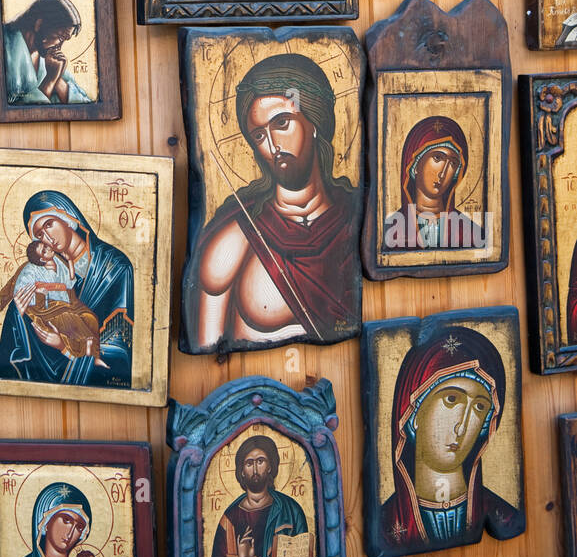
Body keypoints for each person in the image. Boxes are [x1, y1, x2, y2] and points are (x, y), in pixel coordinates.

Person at [186, 52, 361, 350]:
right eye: (258, 135)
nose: (272, 145)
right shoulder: (234, 239)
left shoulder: (357, 218)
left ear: (314, 121)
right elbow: (206, 349)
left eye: (282, 123)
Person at [380, 324, 522, 555]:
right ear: (413, 415)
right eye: (452, 399)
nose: (462, 425)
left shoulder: (502, 515)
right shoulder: (387, 526)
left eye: (479, 406)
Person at [0, 190, 134, 389]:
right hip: (43, 373)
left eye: (48, 225)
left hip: (92, 374)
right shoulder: (47, 268)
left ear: (68, 218)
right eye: (39, 235)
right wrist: (17, 313)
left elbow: (120, 345)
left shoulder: (115, 266)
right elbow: (18, 341)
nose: (47, 238)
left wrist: (63, 346)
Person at [208, 435, 308, 557]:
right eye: (249, 463)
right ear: (241, 471)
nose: (255, 469)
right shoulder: (229, 520)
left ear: (270, 466)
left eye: (260, 461)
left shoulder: (291, 510)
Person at [0, 240, 107, 368]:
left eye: (45, 246)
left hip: (66, 303)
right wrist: (37, 291)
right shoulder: (30, 269)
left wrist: (70, 261)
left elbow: (70, 281)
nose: (48, 248)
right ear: (41, 259)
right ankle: (85, 354)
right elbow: (21, 290)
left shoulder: (59, 261)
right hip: (46, 309)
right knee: (70, 320)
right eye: (44, 250)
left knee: (91, 319)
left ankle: (95, 355)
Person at [384, 117, 486, 251]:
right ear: (414, 166)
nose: (443, 173)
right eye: (438, 158)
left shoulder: (471, 234)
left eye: (453, 163)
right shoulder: (390, 231)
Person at [2, 0, 91, 105]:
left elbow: (85, 103)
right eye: (60, 37)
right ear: (39, 24)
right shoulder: (4, 49)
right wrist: (50, 81)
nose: (60, 45)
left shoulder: (47, 56)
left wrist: (57, 80)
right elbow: (17, 110)